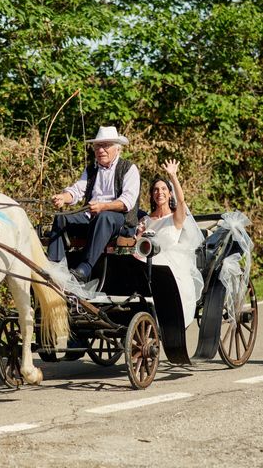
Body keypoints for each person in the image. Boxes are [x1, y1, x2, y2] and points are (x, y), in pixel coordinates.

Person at [47, 126, 141, 282]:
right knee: (61, 217)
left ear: (117, 149)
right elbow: (77, 190)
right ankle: (55, 266)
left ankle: (85, 268)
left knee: (104, 217)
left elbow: (127, 202)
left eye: (106, 146)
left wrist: (103, 206)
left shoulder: (129, 169)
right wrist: (63, 197)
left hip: (119, 222)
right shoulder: (91, 169)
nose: (101, 150)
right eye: (98, 146)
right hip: (91, 217)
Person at [136, 159, 204, 328]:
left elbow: (181, 201)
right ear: (152, 194)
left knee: (160, 272)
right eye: (156, 190)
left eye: (164, 189)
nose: (160, 192)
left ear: (170, 193)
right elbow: (137, 243)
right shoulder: (145, 220)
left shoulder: (176, 217)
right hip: (147, 261)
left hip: (172, 263)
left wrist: (173, 176)